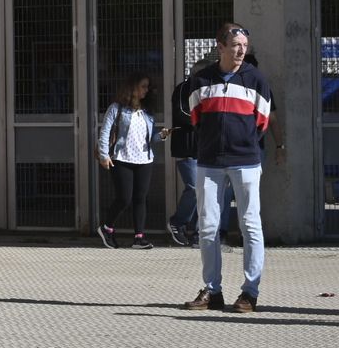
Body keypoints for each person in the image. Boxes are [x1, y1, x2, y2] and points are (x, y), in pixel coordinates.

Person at [183, 23, 275, 313]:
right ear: (220, 46)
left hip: (246, 162)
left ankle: (250, 293)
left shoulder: (256, 79)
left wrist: (242, 143)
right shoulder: (200, 80)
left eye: (244, 46)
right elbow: (195, 118)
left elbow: (262, 122)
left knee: (250, 225)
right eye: (236, 45)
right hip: (209, 162)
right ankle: (213, 291)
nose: (240, 50)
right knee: (208, 227)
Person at [96, 72, 163, 250]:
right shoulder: (117, 108)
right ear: (132, 87)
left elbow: (149, 138)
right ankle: (107, 227)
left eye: (147, 87)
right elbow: (105, 132)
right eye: (143, 86)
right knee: (124, 198)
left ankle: (139, 238)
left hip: (144, 159)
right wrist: (104, 154)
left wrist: (161, 136)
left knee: (140, 198)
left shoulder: (147, 112)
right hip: (122, 158)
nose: (146, 90)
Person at [166, 57, 213, 247]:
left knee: (206, 191)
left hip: (206, 147)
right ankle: (178, 222)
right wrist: (204, 121)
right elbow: (181, 113)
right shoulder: (183, 89)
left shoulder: (210, 90)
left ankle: (195, 231)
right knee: (194, 187)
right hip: (187, 146)